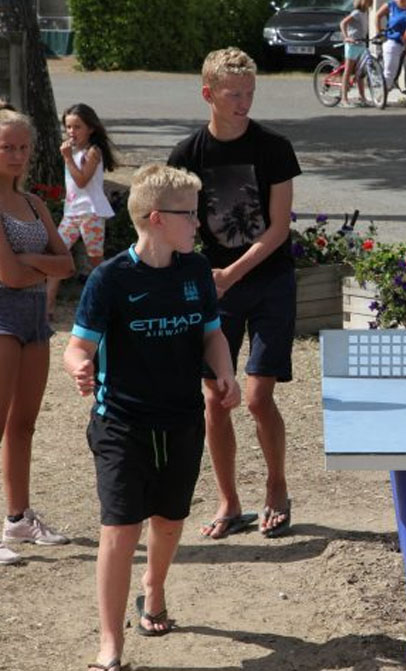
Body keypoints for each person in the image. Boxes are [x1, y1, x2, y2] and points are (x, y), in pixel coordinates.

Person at [64, 164, 241, 671]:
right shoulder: (110, 279)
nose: (200, 225)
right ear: (158, 219)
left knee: (169, 521)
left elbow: (212, 334)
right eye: (191, 215)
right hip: (122, 422)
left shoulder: (194, 271)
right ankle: (110, 646)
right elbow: (77, 347)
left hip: (182, 419)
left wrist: (224, 371)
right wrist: (79, 368)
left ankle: (154, 588)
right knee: (120, 529)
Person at [168, 47, 301, 540]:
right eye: (234, 94)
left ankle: (277, 486)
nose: (244, 102)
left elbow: (280, 228)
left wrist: (231, 272)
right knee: (217, 397)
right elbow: (174, 221)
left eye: (249, 93)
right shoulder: (188, 155)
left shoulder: (274, 147)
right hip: (215, 287)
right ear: (209, 94)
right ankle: (229, 500)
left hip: (269, 283)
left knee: (257, 396)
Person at [0, 109, 75, 566]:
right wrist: (37, 261)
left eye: (23, 147)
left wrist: (31, 259)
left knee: (23, 425)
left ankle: (18, 517)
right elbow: (7, 274)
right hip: (3, 314)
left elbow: (67, 264)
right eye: (7, 146)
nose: (16, 155)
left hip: (33, 317)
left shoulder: (33, 204)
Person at [46, 103, 118, 317]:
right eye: (68, 127)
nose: (71, 132)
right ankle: (48, 307)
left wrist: (67, 158)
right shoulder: (74, 150)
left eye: (77, 127)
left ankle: (112, 300)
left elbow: (82, 180)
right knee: (57, 256)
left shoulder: (92, 152)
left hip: (91, 212)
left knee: (95, 259)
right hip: (72, 212)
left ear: (90, 129)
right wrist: (69, 156)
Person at [375, 0, 406, 90]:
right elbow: (378, 16)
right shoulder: (391, 5)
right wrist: (379, 33)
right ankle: (382, 95)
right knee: (390, 72)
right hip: (394, 39)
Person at [340, 0, 373, 107]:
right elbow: (343, 23)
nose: (368, 3)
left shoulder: (366, 13)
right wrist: (346, 37)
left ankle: (362, 97)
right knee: (348, 71)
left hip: (361, 44)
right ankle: (344, 99)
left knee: (360, 73)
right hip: (353, 45)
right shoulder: (356, 13)